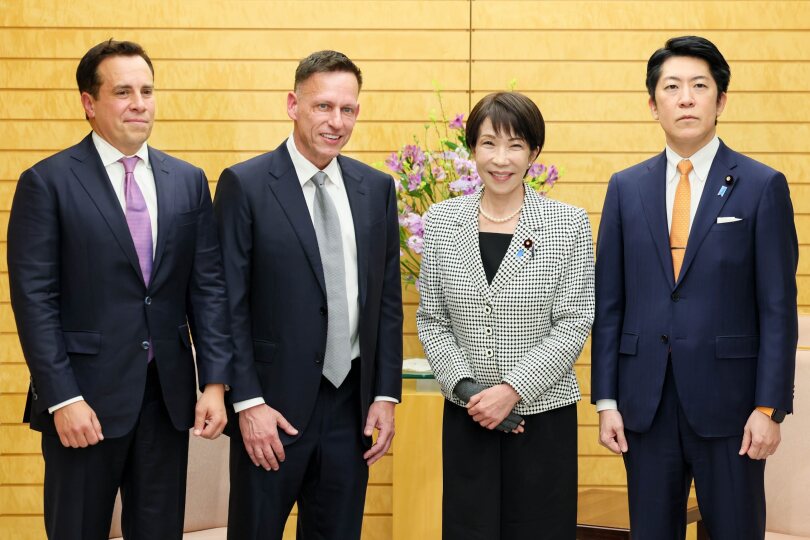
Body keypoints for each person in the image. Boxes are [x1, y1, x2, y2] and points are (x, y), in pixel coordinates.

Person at [7, 39, 232, 540]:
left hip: (166, 400)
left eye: (147, 91)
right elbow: (35, 302)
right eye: (123, 92)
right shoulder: (47, 183)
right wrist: (63, 399)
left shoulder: (188, 181)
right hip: (83, 401)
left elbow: (208, 291)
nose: (139, 104)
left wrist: (215, 384)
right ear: (89, 103)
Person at [592, 35, 798, 539]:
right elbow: (610, 304)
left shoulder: (762, 185)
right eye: (672, 87)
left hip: (733, 410)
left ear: (720, 101)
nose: (685, 98)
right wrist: (606, 401)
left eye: (699, 86)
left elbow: (777, 308)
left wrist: (768, 408)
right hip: (645, 405)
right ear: (652, 104)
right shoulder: (625, 187)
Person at [214, 50, 403, 540]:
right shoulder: (245, 185)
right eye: (323, 106)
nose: (336, 121)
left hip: (350, 410)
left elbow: (385, 302)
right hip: (270, 410)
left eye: (348, 109)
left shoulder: (376, 189)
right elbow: (227, 304)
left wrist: (385, 394)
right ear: (293, 105)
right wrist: (247, 402)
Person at [416, 92, 595, 539]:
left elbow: (574, 320)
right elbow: (432, 319)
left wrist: (511, 391)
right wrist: (469, 390)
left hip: (541, 416)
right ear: (472, 149)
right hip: (469, 414)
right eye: (489, 143)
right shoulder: (441, 221)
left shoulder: (567, 223)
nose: (501, 159)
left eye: (515, 145)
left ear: (534, 152)